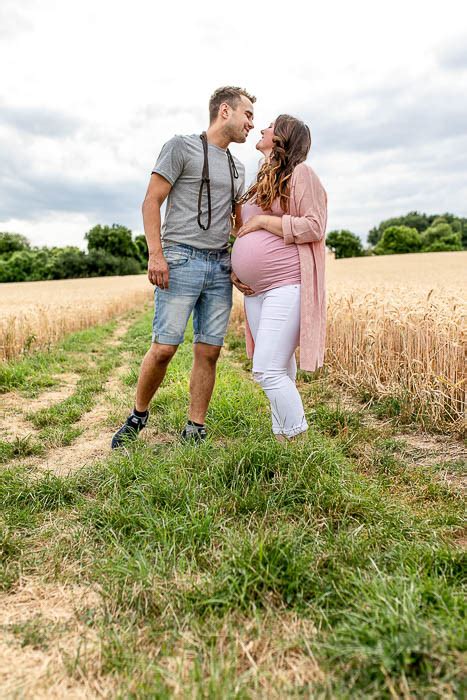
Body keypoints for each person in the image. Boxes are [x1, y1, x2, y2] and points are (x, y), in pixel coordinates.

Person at [112, 86, 255, 448]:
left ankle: (195, 427)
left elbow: (237, 224)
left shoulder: (238, 167)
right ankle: (138, 415)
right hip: (181, 259)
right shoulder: (180, 146)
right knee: (164, 348)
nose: (251, 124)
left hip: (220, 265)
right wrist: (155, 254)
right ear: (225, 111)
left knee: (209, 351)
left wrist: (242, 263)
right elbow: (151, 201)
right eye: (247, 115)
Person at [230, 114, 327, 441]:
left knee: (267, 369)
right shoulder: (262, 181)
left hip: (286, 285)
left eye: (270, 126)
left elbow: (314, 225)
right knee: (281, 368)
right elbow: (243, 230)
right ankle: (283, 443)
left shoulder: (302, 174)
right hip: (256, 291)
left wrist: (264, 225)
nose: (262, 129)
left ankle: (301, 445)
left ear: (282, 137)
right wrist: (236, 267)